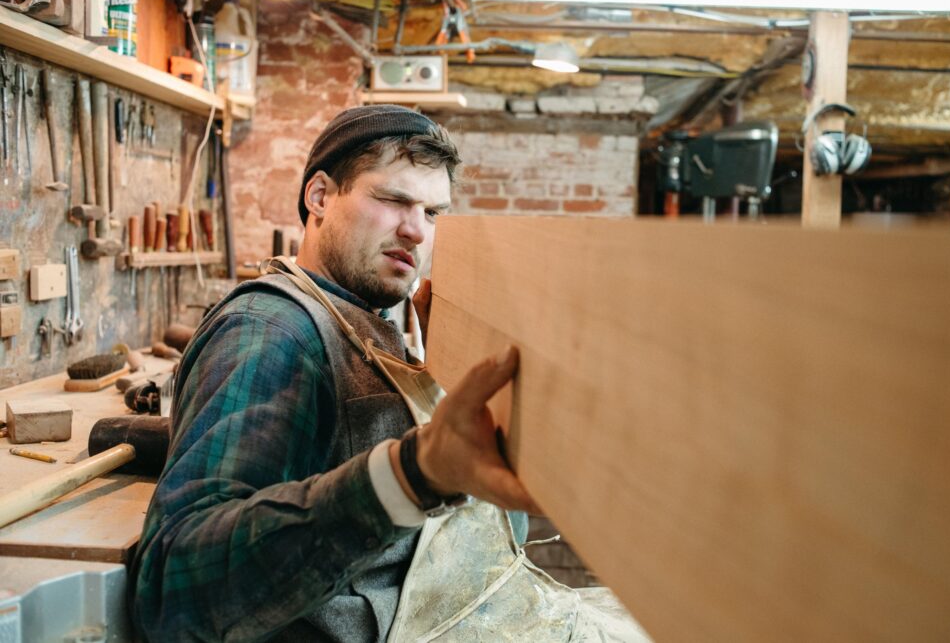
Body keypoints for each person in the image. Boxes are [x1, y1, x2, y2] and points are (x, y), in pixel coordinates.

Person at [131, 105, 649, 642]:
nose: (417, 232)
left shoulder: (358, 318)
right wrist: (415, 475)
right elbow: (174, 593)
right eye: (393, 200)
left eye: (432, 213)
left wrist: (444, 367)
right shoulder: (270, 332)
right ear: (320, 198)